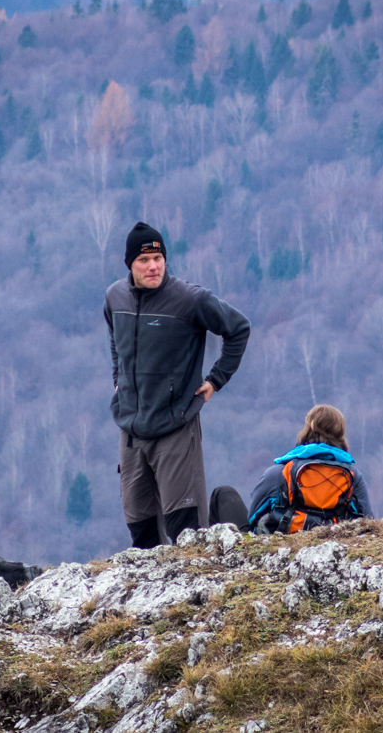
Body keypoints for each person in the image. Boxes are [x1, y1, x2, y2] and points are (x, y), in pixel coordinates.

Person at [105, 222, 251, 548]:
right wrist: (118, 378)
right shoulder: (115, 297)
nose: (153, 266)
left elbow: (238, 328)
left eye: (158, 257)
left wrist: (216, 380)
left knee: (186, 532)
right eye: (144, 260)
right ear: (130, 263)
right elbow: (115, 338)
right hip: (131, 430)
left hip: (175, 426)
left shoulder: (188, 300)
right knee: (140, 530)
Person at [247, 404, 373, 533]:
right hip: (335, 543)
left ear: (307, 429)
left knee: (228, 495)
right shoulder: (353, 476)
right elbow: (368, 522)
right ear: (341, 433)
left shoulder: (279, 472)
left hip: (282, 543)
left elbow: (251, 518)